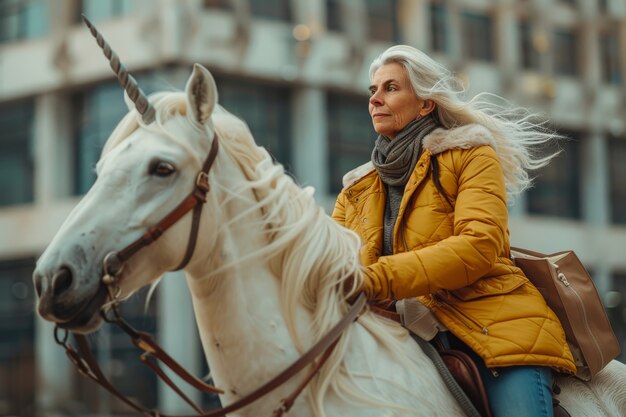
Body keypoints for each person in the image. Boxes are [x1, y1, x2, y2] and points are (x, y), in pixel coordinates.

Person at [332, 45, 576, 417]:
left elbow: (478, 246)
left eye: (391, 88)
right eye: (373, 90)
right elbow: (333, 269)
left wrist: (375, 279)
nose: (375, 100)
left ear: (426, 104)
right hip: (392, 333)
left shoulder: (471, 155)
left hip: (494, 325)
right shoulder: (355, 190)